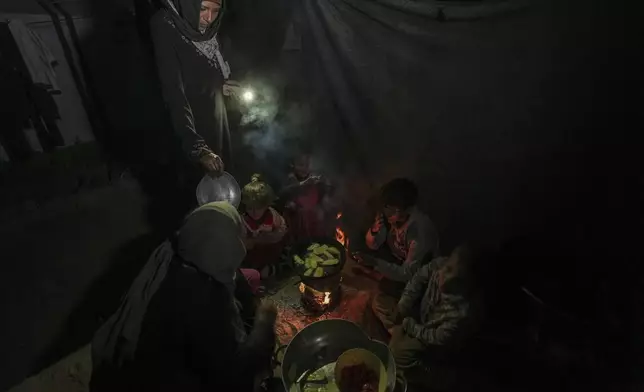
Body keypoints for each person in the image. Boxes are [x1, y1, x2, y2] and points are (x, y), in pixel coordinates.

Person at [90, 202, 277, 392]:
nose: (243, 241)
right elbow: (233, 376)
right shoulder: (201, 297)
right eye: (237, 236)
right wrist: (265, 323)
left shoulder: (178, 251)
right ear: (223, 246)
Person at [149, 0, 242, 191]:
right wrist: (197, 147)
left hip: (218, 117)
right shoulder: (165, 24)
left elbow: (204, 70)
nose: (209, 18)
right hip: (188, 125)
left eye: (216, 11)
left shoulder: (211, 29)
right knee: (200, 191)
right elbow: (173, 91)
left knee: (225, 184)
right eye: (203, 9)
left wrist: (221, 86)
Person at [357, 178, 439, 333]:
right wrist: (375, 230)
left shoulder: (420, 232)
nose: (386, 211)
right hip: (400, 263)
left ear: (405, 210)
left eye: (391, 209)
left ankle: (402, 333)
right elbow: (374, 244)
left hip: (420, 279)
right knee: (382, 289)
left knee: (379, 303)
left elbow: (408, 274)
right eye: (386, 207)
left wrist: (375, 263)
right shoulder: (391, 216)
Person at [389, 245, 479, 386]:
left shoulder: (462, 315)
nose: (446, 279)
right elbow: (418, 278)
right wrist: (403, 305)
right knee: (379, 302)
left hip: (430, 343)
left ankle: (429, 373)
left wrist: (409, 326)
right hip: (419, 318)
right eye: (448, 269)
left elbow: (434, 338)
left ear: (468, 285)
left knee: (396, 354)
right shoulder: (440, 264)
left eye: (458, 281)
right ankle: (399, 336)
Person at [241, 174, 288, 278]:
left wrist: (270, 235)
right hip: (253, 255)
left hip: (271, 252)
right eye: (249, 208)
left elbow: (282, 230)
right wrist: (251, 241)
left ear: (266, 205)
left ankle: (274, 268)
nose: (253, 212)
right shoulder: (243, 220)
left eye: (258, 208)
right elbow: (242, 243)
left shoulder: (272, 215)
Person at [281, 151, 333, 242]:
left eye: (308, 165)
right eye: (301, 165)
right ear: (293, 165)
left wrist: (325, 196)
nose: (305, 169)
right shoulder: (291, 178)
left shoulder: (315, 178)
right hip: (297, 222)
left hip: (313, 220)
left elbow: (324, 193)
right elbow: (286, 193)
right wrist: (304, 184)